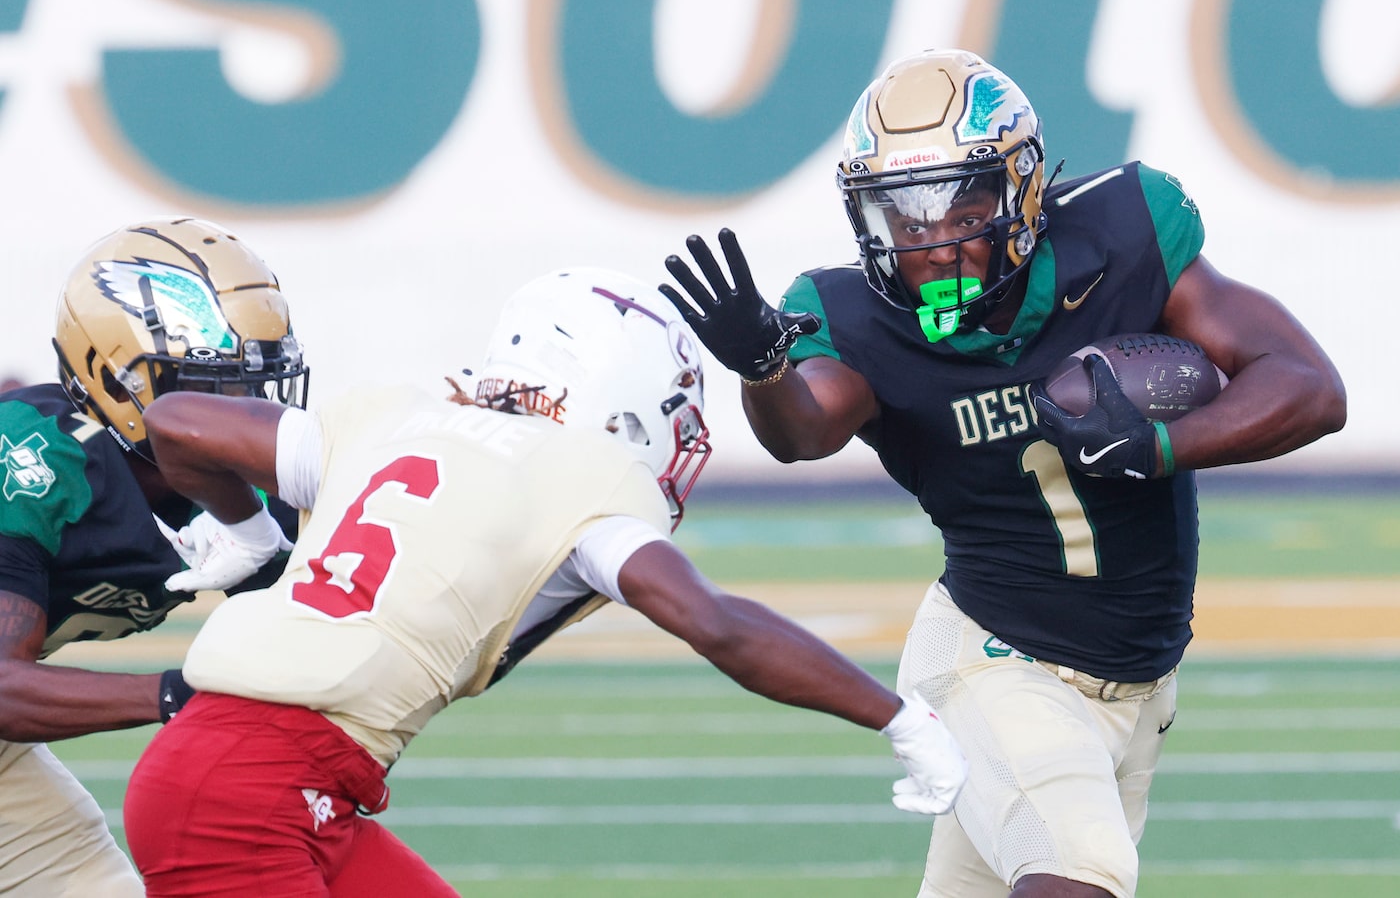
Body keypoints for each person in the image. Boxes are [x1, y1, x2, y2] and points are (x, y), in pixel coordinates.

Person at [660, 48, 1346, 898]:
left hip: (1139, 681)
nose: (932, 239)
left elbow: (1309, 387)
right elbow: (803, 431)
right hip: (994, 665)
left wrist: (1163, 446)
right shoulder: (851, 317)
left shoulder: (1120, 234)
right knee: (1076, 880)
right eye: (902, 217)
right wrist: (763, 366)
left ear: (1020, 189)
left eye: (958, 202)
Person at [120, 266, 969, 897]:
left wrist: (244, 534)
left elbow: (175, 421)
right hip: (247, 797)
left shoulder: (393, 417)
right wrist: (895, 715)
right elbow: (717, 624)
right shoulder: (584, 480)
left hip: (268, 783)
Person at [0, 216, 309, 896]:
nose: (246, 408)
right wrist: (176, 693)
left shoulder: (249, 486)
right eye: (218, 384)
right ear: (120, 383)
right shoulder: (30, 459)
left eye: (256, 384)